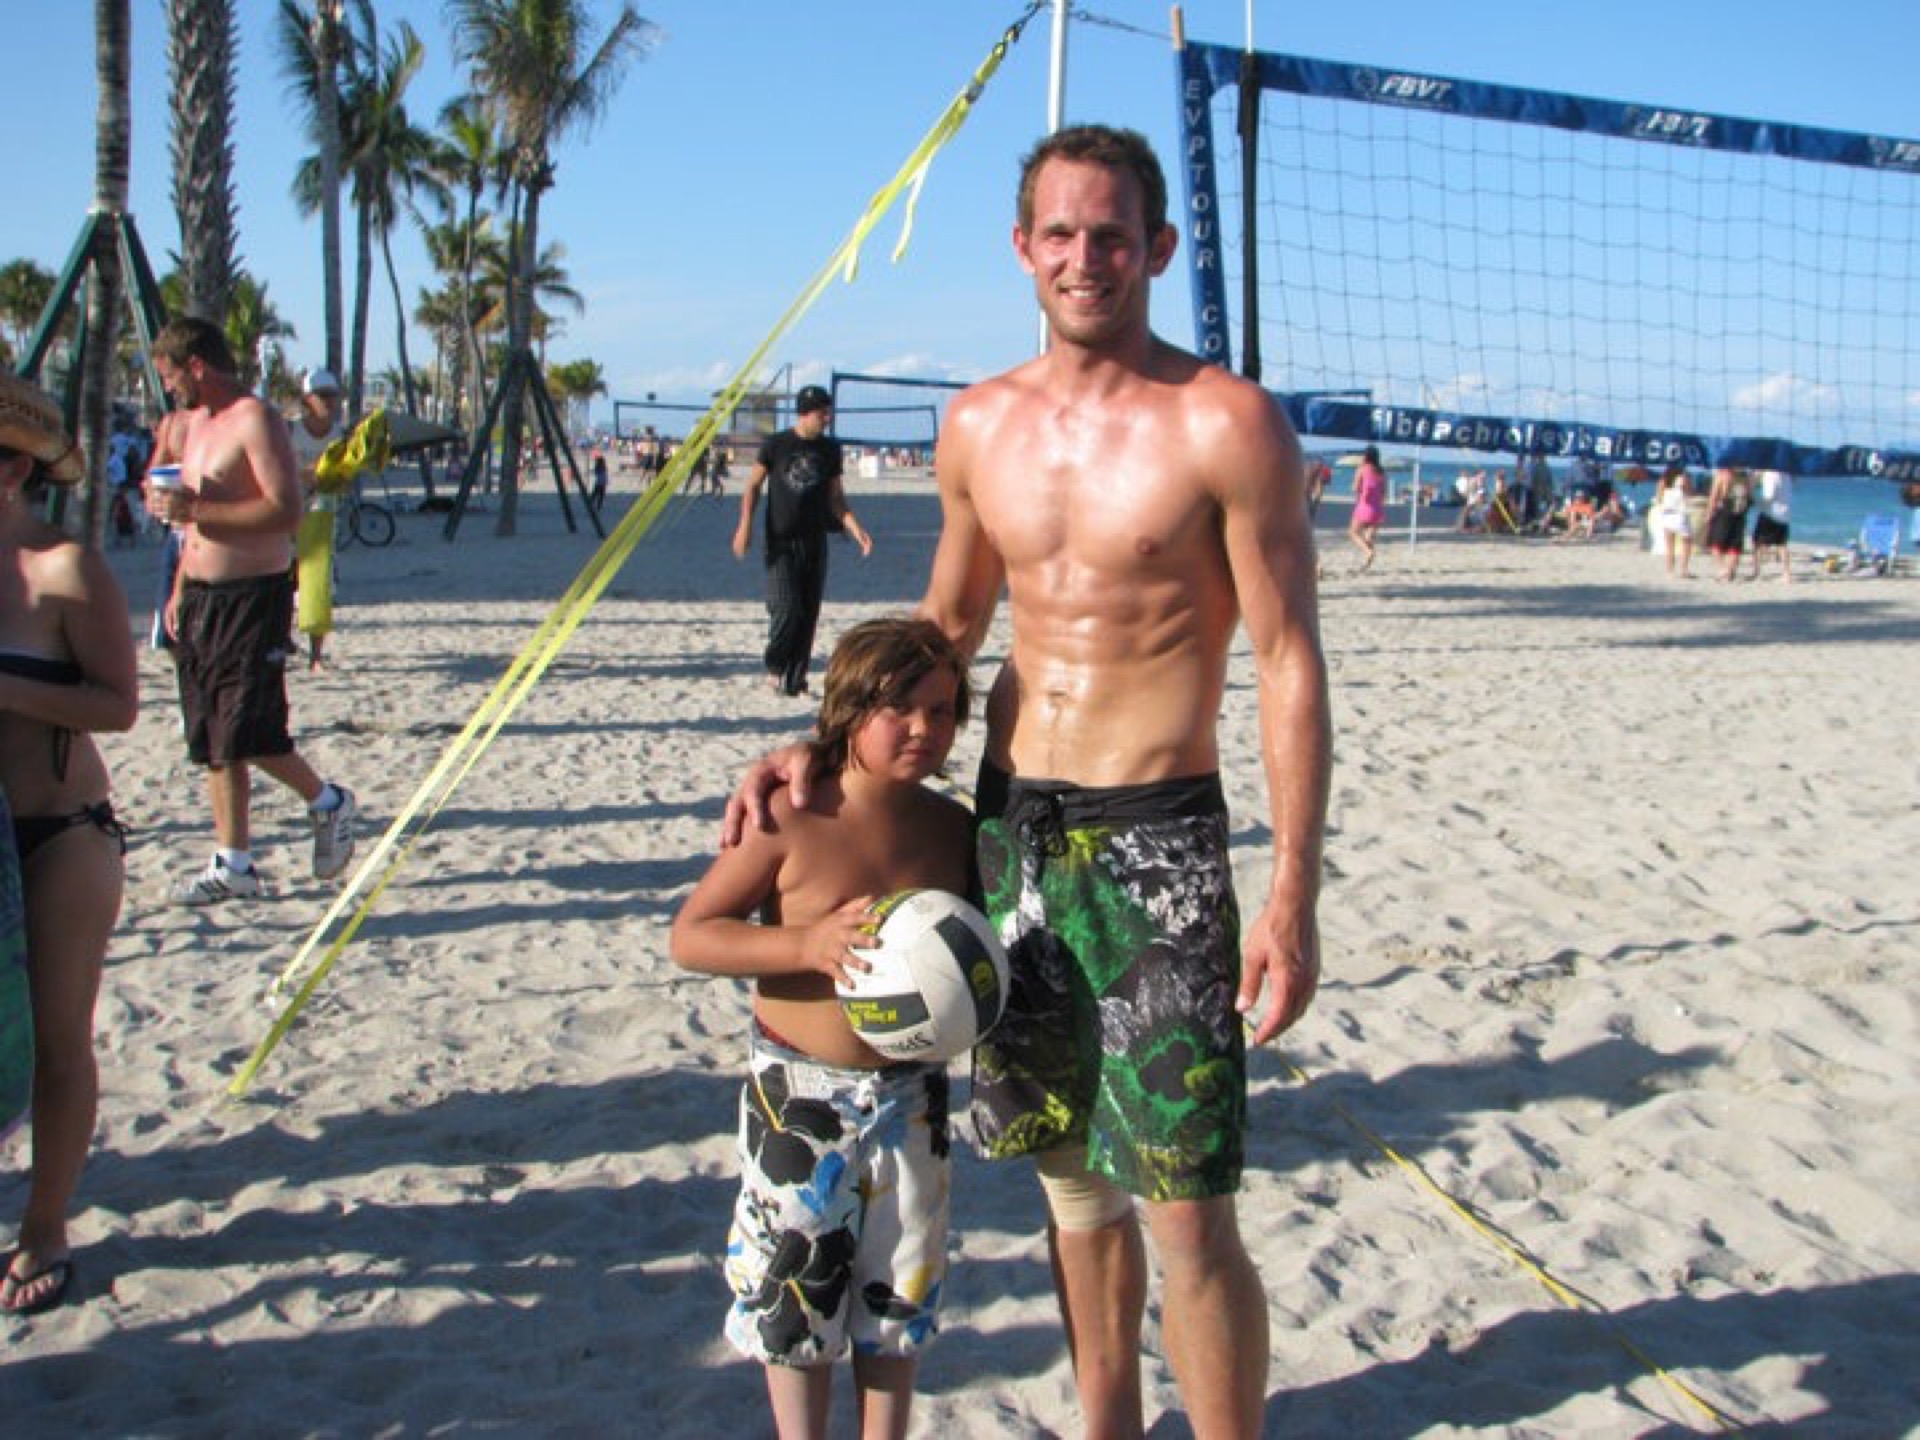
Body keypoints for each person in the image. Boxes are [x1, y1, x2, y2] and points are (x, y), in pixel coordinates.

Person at [727, 124, 1330, 1437]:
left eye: (1112, 234)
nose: (1085, 257)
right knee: (1072, 1186)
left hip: (1158, 842)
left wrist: (1292, 892)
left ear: (1157, 248)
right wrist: (821, 745)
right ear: (1021, 248)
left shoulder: (1227, 424)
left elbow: (1288, 661)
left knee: (1187, 1208)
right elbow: (946, 628)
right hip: (1013, 835)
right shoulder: (980, 424)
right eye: (1060, 233)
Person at [672, 618, 976, 1440]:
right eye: (899, 708)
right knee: (794, 1306)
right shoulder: (792, 816)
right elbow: (693, 934)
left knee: (899, 1301)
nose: (923, 728)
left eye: (942, 710)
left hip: (914, 1100)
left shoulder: (952, 830)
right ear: (847, 711)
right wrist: (804, 945)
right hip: (798, 1098)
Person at [0, 371, 139, 1314]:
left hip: (57, 831)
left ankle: (45, 1225)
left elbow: (117, 705)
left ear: (17, 469)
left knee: (59, 1040)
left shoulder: (66, 568)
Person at [146, 317, 357, 904]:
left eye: (171, 376)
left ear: (197, 366)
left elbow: (285, 510)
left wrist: (196, 513)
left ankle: (328, 801)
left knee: (250, 730)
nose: (169, 389)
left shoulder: (254, 420)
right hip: (200, 595)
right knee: (212, 735)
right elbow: (187, 518)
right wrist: (179, 585)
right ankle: (233, 861)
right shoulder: (195, 425)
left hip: (252, 594)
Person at [732, 385, 874, 697]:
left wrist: (855, 528)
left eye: (829, 412)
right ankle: (775, 667)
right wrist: (745, 526)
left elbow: (836, 497)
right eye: (823, 412)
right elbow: (753, 486)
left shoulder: (830, 449)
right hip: (780, 540)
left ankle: (796, 680)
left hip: (815, 540)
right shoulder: (776, 444)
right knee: (786, 608)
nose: (828, 417)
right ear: (805, 413)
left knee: (808, 613)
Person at [288, 367, 344, 670]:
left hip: (322, 512)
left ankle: (316, 655)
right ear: (308, 399)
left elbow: (345, 474)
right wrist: (304, 475)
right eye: (322, 395)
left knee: (318, 582)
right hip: (289, 511)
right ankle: (283, 641)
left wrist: (329, 477)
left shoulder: (340, 434)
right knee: (285, 578)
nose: (329, 402)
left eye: (332, 395)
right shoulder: (290, 431)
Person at [1704, 466, 1751, 582]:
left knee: (1714, 542)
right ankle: (1730, 572)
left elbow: (1714, 496)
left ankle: (1723, 568)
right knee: (1735, 545)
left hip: (1724, 512)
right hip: (1740, 513)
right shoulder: (1745, 476)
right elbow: (1749, 496)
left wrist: (1709, 514)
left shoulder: (1722, 475)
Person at [1751, 468, 1794, 582]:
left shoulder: (1770, 475)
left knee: (1758, 543)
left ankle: (1757, 573)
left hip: (1770, 513)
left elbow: (1769, 496)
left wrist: (1757, 502)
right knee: (1781, 544)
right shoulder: (1786, 475)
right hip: (1784, 513)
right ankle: (1787, 573)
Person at [1348, 445, 1387, 570]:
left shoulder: (1362, 469)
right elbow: (1384, 491)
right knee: (1368, 538)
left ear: (1366, 456)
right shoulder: (1381, 472)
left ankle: (1368, 552)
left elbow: (1355, 488)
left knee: (1353, 533)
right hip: (1378, 508)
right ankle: (1366, 563)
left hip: (1365, 506)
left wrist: (1359, 489)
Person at [1654, 464, 1694, 578]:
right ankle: (1684, 569)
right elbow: (1690, 493)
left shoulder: (1663, 481)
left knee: (1669, 545)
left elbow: (1659, 498)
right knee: (1686, 542)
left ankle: (1670, 570)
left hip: (1667, 513)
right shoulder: (1683, 479)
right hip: (1679, 513)